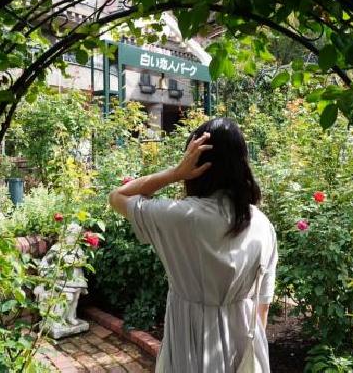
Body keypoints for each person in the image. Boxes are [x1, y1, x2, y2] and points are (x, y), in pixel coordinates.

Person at [109, 117, 278, 372]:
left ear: (196, 165)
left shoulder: (180, 217)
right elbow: (262, 307)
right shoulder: (262, 225)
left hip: (189, 342)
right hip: (244, 345)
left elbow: (117, 196)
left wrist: (175, 173)